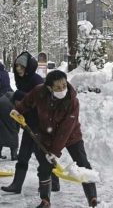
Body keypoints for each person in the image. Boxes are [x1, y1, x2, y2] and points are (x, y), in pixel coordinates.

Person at [12, 70, 97, 208]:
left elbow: (66, 129)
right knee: (45, 167)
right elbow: (27, 102)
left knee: (83, 163)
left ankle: (92, 197)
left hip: (71, 135)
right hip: (47, 134)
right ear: (49, 87)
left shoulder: (72, 101)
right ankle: (45, 200)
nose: (62, 89)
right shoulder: (39, 91)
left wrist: (54, 152)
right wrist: (18, 110)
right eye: (57, 87)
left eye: (64, 85)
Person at [1, 51, 60, 193]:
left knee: (38, 156)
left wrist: (18, 95)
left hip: (40, 125)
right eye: (17, 67)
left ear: (28, 67)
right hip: (29, 124)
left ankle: (53, 182)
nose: (19, 69)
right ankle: (17, 185)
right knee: (27, 156)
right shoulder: (22, 79)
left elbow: (39, 101)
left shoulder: (37, 80)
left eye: (22, 67)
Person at [0, 62, 15, 159]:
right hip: (9, 98)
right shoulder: (5, 73)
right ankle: (14, 154)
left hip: (2, 99)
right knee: (12, 127)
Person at [0, 92, 19, 160]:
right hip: (8, 112)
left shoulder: (4, 97)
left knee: (1, 135)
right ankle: (14, 155)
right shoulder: (15, 101)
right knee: (14, 134)